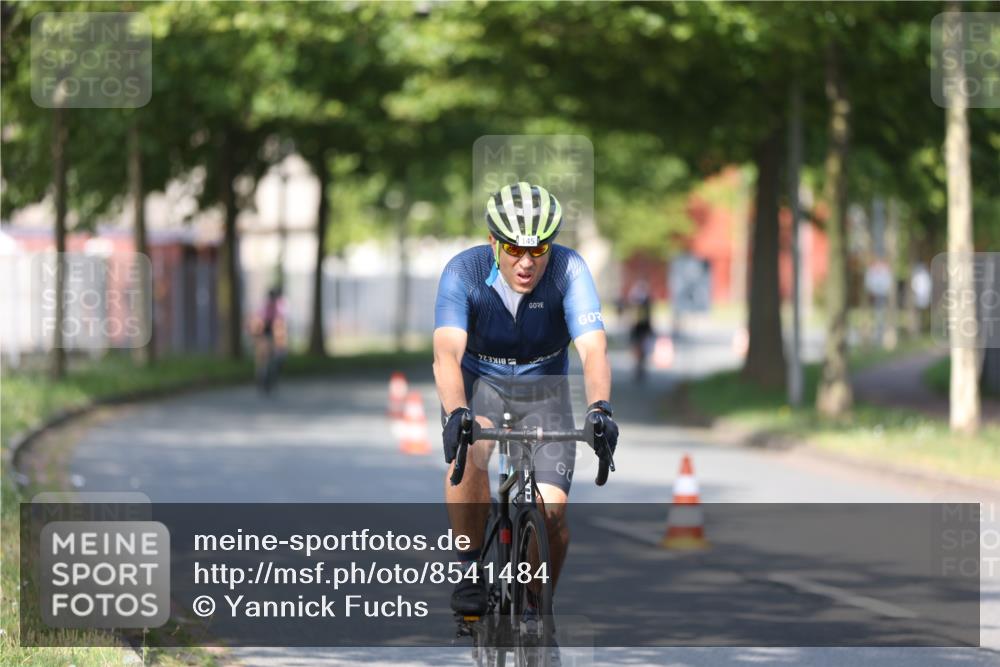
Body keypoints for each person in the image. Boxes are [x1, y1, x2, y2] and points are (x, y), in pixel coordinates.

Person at [433, 182, 619, 616]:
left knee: (552, 513)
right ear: (493, 242)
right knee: (472, 446)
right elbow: (447, 353)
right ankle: (469, 570)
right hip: (480, 384)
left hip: (544, 388)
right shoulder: (464, 272)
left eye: (538, 251)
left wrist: (600, 409)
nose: (526, 262)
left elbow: (593, 348)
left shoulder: (570, 270)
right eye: (515, 249)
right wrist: (458, 413)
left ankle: (535, 606)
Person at [250, 286, 287, 394]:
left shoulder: (277, 307)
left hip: (271, 334)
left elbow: (279, 325)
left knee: (270, 359)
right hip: (265, 334)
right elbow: (259, 324)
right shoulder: (266, 307)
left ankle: (266, 379)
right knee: (263, 359)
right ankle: (262, 379)